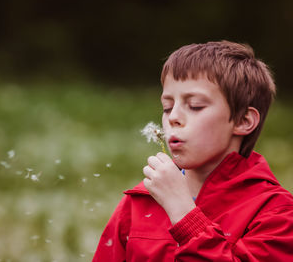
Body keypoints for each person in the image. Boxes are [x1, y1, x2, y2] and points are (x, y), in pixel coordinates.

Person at [92, 40, 293, 261]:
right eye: (167, 107)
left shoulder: (276, 213)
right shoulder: (140, 202)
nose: (174, 117)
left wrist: (184, 214)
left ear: (243, 120)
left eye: (195, 105)